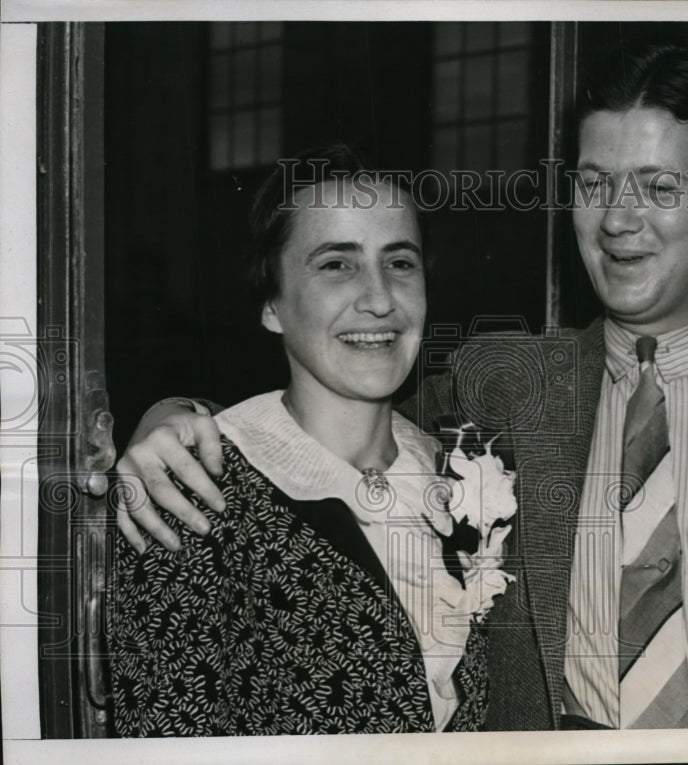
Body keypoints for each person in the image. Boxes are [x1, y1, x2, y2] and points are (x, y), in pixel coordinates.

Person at [113, 44, 688, 730]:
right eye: (594, 184)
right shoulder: (508, 385)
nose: (619, 219)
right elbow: (339, 400)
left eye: (660, 186)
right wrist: (179, 416)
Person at [110, 143, 498, 736]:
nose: (377, 300)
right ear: (272, 304)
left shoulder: (466, 475)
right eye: (336, 264)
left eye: (400, 262)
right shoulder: (192, 490)